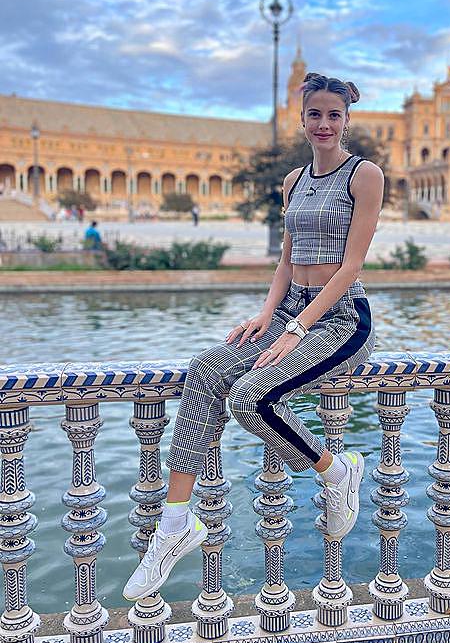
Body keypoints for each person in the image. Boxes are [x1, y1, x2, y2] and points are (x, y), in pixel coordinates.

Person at [123, 72, 384, 601]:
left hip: (339, 319)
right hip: (289, 312)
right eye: (315, 114)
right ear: (302, 119)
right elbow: (286, 260)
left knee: (248, 398)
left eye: (334, 115)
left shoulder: (364, 175)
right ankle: (176, 524)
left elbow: (352, 265)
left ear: (346, 121)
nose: (325, 123)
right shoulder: (293, 181)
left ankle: (336, 472)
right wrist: (268, 316)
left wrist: (299, 327)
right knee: (205, 369)